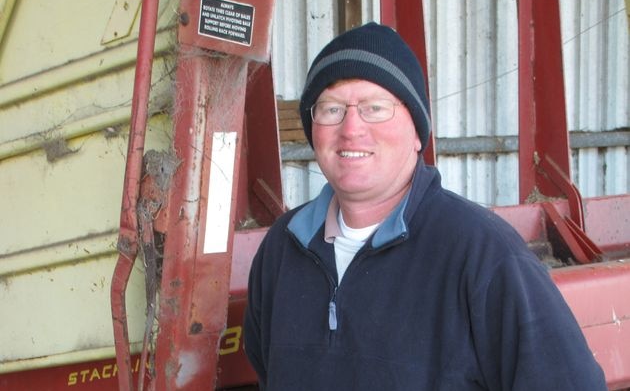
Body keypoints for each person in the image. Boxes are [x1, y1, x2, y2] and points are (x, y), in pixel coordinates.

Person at [243, 22, 606, 390]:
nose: (351, 128)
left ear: (417, 132)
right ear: (312, 129)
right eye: (332, 108)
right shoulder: (282, 249)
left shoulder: (484, 254)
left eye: (375, 107)